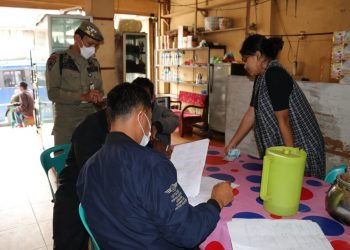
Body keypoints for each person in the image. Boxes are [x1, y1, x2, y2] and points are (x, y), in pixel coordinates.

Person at [77, 83, 233, 249]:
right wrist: (216, 201)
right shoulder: (152, 166)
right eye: (150, 119)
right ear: (142, 115)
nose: (150, 126)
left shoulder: (88, 168)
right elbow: (188, 232)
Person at [225, 34, 325, 179]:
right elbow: (252, 112)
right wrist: (232, 143)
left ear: (258, 55)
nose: (245, 65)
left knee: (297, 193)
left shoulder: (275, 75)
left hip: (303, 148)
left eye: (246, 60)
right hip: (289, 147)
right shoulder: (261, 77)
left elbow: (283, 121)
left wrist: (292, 162)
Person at [53, 109, 109, 250]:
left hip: (96, 194)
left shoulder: (124, 126)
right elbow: (92, 174)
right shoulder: (89, 129)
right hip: (74, 192)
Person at [46, 20, 104, 145]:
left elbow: (100, 89)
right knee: (65, 161)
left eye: (96, 46)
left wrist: (98, 97)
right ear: (77, 38)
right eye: (90, 44)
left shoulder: (94, 63)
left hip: (90, 119)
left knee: (90, 160)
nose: (93, 49)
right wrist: (83, 97)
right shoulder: (58, 60)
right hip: (67, 122)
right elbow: (53, 93)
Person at [132, 77, 179, 147]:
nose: (142, 101)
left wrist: (157, 126)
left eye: (145, 97)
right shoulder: (130, 113)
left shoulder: (160, 109)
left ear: (153, 97)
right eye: (138, 97)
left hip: (160, 152)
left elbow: (175, 119)